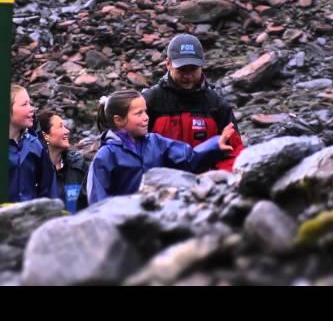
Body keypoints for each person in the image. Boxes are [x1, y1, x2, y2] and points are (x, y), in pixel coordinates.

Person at [87, 90, 234, 205]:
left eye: (145, 111)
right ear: (118, 120)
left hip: (155, 218)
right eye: (139, 113)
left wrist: (215, 144)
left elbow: (189, 158)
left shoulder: (156, 142)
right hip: (124, 224)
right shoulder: (106, 155)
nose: (146, 117)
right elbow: (97, 199)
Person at [142, 33, 244, 172]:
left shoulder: (217, 105)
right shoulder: (150, 100)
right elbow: (131, 146)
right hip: (159, 183)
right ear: (168, 64)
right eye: (182, 69)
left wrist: (220, 181)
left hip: (204, 185)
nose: (188, 76)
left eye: (193, 69)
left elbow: (234, 151)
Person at [37, 111, 88, 213]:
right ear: (46, 136)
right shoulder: (36, 169)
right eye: (60, 127)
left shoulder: (77, 164)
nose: (67, 131)